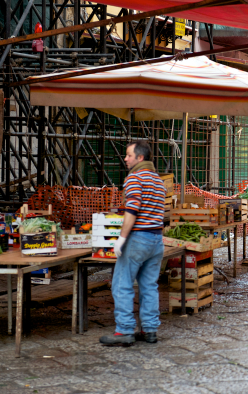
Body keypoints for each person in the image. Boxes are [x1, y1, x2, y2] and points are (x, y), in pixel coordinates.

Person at [100, 141, 166, 346]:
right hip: (156, 240)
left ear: (140, 158)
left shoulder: (134, 179)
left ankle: (125, 331)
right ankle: (149, 330)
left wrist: (121, 239)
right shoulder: (158, 181)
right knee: (149, 286)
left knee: (122, 285)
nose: (125, 159)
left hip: (138, 239)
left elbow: (132, 211)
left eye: (128, 155)